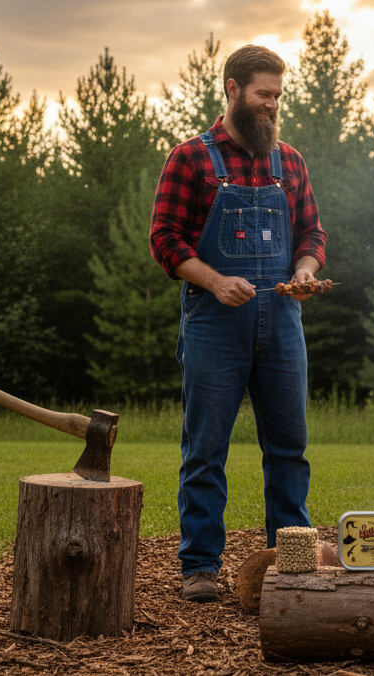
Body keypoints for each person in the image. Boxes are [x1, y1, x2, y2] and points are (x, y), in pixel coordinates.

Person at [150, 45, 327, 603]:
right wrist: (214, 280)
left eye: (278, 95)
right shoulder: (191, 159)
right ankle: (200, 567)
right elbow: (164, 240)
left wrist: (303, 268)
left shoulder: (290, 163)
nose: (272, 105)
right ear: (232, 90)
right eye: (263, 94)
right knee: (205, 449)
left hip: (282, 321)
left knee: (289, 449)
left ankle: (290, 561)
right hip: (213, 325)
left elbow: (313, 235)